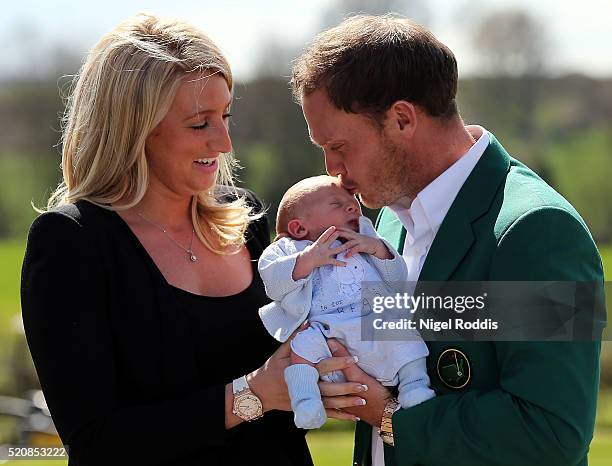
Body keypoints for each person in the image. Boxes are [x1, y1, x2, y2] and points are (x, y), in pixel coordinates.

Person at [20, 14, 365, 466]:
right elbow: (95, 441)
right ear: (133, 128)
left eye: (225, 116)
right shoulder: (71, 242)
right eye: (200, 123)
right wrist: (252, 395)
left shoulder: (249, 218)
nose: (223, 142)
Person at [290, 14, 605, 466]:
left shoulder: (537, 229)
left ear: (401, 119)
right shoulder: (388, 224)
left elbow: (551, 433)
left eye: (339, 146)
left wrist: (389, 416)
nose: (331, 169)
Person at [257, 175, 435, 429]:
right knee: (301, 348)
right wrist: (307, 259)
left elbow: (397, 280)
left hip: (371, 323)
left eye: (352, 201)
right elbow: (273, 283)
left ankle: (414, 385)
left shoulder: (364, 239)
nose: (353, 206)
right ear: (299, 228)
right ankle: (305, 401)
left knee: (404, 334)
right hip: (326, 330)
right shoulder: (287, 249)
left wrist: (378, 249)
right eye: (337, 204)